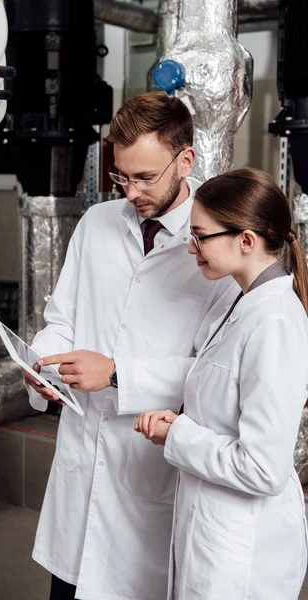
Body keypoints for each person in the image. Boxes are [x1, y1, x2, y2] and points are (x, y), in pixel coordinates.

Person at [23, 91, 239, 600]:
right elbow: (62, 319)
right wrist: (41, 364)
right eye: (121, 176)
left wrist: (117, 373)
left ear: (185, 160)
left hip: (150, 469)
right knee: (69, 586)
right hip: (81, 462)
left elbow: (217, 371)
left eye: (145, 177)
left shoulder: (216, 243)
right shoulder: (98, 224)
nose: (132, 191)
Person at [136, 167, 308, 600]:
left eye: (200, 236)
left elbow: (263, 469)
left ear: (246, 241)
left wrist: (178, 435)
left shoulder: (275, 324)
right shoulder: (237, 301)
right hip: (215, 532)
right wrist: (179, 419)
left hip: (244, 551)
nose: (191, 248)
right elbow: (222, 402)